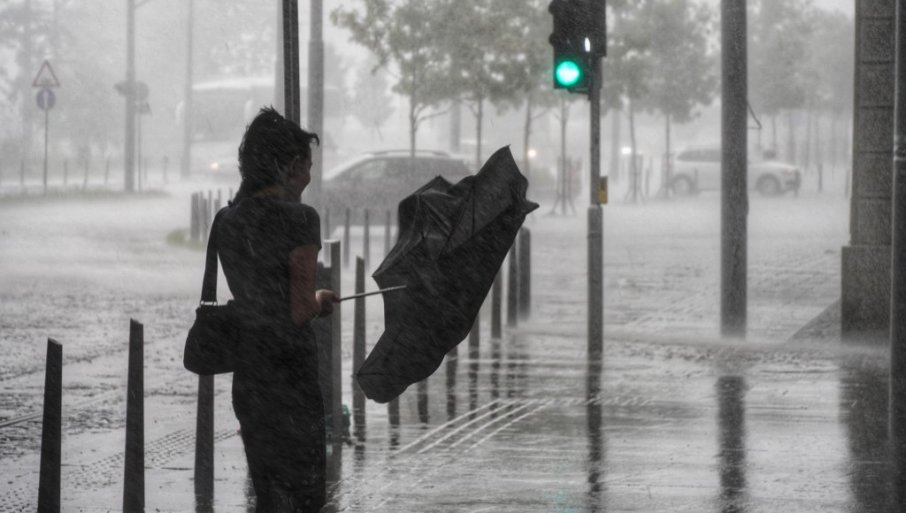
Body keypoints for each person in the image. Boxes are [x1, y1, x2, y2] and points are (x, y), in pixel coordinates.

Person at [213, 106, 339, 512]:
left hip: (251, 373)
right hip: (291, 374)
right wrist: (321, 300)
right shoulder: (300, 219)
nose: (308, 176)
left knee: (266, 489)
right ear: (287, 166)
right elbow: (299, 309)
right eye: (306, 166)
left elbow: (259, 294)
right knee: (304, 493)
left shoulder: (228, 221)